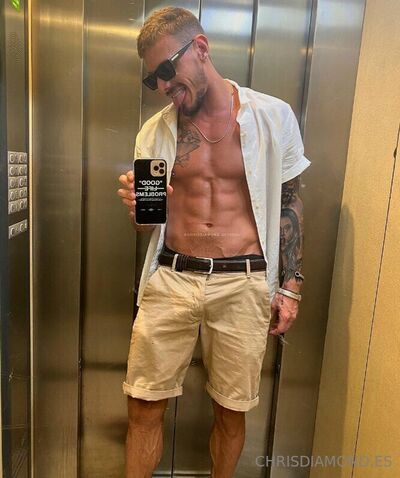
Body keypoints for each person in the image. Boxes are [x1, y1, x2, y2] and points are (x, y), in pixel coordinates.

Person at [117, 6, 311, 478]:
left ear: (200, 48)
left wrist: (291, 286)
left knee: (231, 409)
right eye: (153, 79)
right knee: (143, 404)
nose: (162, 86)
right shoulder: (155, 131)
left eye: (167, 70)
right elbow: (146, 225)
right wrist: (139, 212)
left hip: (243, 282)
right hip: (171, 278)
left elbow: (289, 203)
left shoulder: (273, 117)